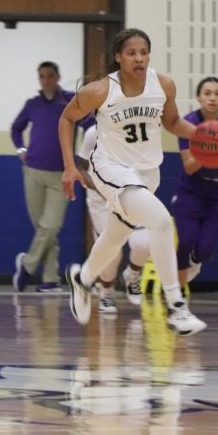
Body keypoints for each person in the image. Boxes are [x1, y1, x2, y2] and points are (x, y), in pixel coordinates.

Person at [59, 28, 206, 334]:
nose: (139, 58)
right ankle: (177, 307)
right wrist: (70, 166)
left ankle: (83, 279)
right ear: (118, 57)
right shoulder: (100, 90)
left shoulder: (163, 84)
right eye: (131, 53)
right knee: (162, 222)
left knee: (116, 236)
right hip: (111, 169)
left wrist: (202, 135)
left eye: (143, 52)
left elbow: (173, 123)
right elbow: (66, 118)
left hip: (147, 173)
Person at [121, 77, 218, 293]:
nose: (212, 97)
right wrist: (210, 147)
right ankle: (177, 303)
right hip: (193, 189)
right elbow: (189, 167)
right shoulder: (188, 122)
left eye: (217, 93)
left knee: (204, 249)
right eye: (207, 93)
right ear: (199, 97)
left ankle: (196, 262)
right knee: (185, 242)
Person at [11, 61, 90, 292]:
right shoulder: (32, 104)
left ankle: (26, 266)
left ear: (58, 77)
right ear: (39, 79)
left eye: (51, 75)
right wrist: (20, 149)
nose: (46, 79)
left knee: (51, 225)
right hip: (33, 171)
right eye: (42, 76)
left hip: (61, 174)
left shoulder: (70, 101)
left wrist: (83, 157)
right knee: (43, 228)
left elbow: (90, 126)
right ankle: (50, 279)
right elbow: (16, 128)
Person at [74, 124, 143, 314]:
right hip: (100, 199)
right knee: (113, 250)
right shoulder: (93, 133)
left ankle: (133, 274)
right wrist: (103, 190)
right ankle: (106, 290)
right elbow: (81, 168)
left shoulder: (140, 128)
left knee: (144, 243)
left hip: (132, 193)